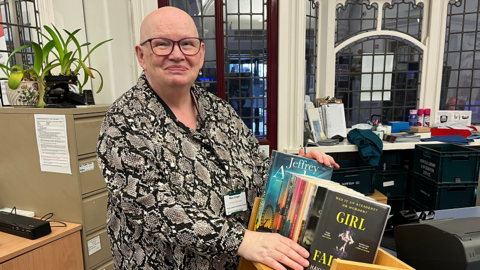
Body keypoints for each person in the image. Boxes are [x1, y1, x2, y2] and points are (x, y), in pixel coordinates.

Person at [96, 6, 338, 270]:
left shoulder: (220, 110)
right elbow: (154, 208)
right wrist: (241, 240)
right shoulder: (123, 121)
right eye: (162, 44)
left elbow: (255, 168)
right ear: (141, 55)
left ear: (200, 54)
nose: (177, 55)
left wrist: (293, 168)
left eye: (187, 44)